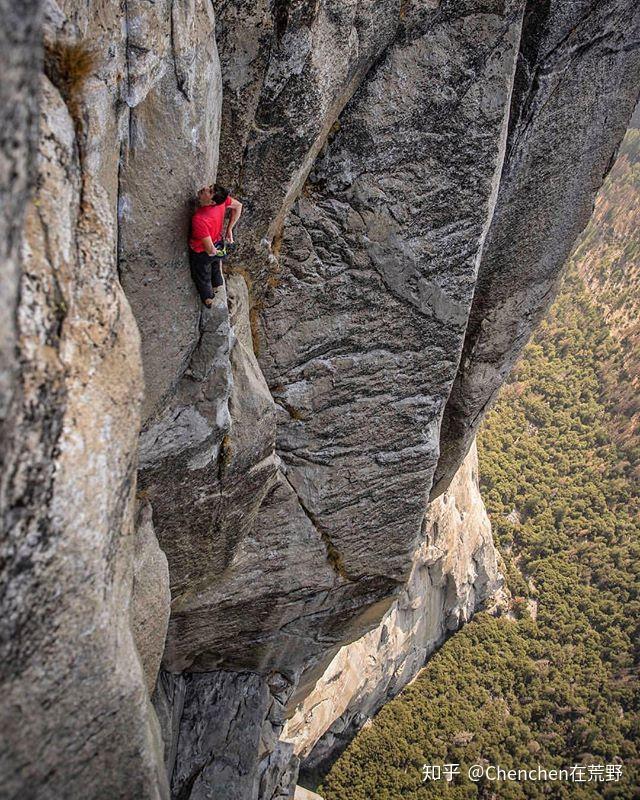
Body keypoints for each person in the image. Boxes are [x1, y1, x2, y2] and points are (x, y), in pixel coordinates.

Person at [189, 184, 243, 307]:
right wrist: (230, 228)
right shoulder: (221, 202)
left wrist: (213, 252)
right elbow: (238, 206)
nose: (205, 188)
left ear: (212, 201)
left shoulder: (200, 219)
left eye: (210, 191)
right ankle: (218, 284)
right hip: (219, 244)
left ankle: (209, 299)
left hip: (203, 252)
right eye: (210, 187)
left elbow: (209, 251)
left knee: (202, 276)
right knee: (215, 265)